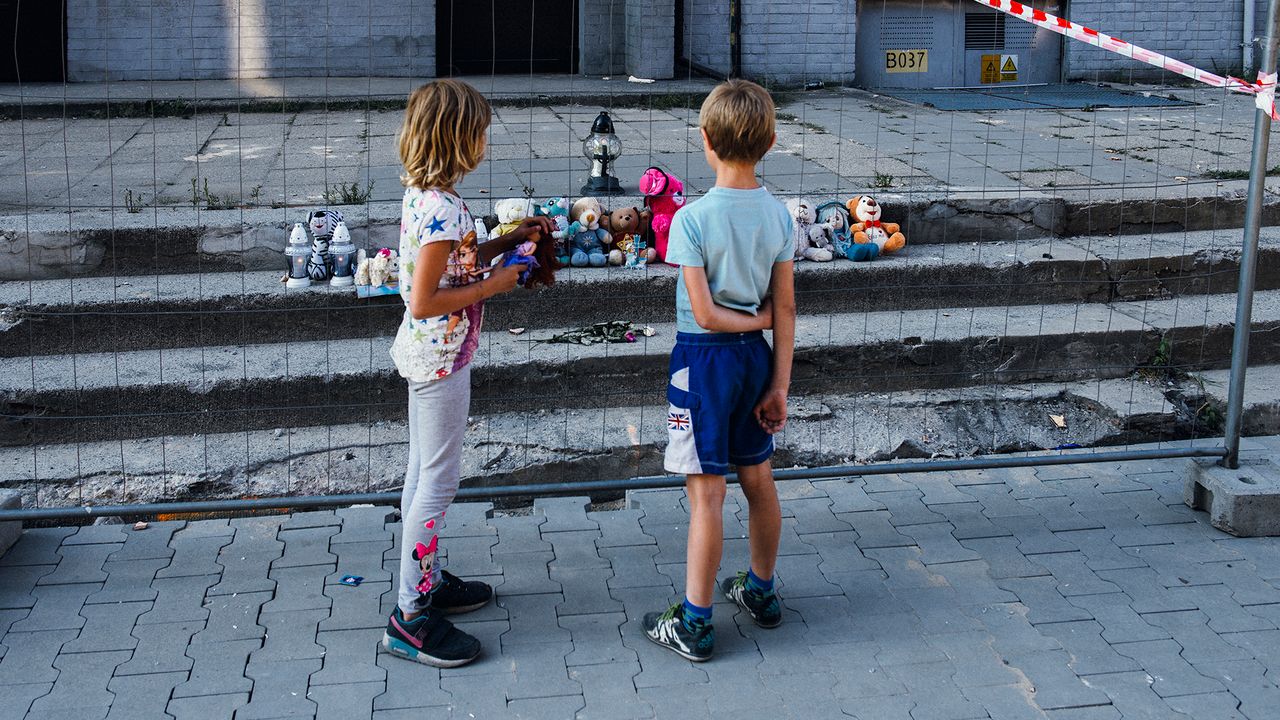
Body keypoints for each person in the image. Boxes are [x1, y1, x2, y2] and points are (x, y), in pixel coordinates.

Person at [382, 79, 552, 668]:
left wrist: (509, 240)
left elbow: (456, 260)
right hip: (439, 358)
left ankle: (422, 583)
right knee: (438, 483)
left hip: (433, 355)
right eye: (478, 131)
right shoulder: (444, 207)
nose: (484, 141)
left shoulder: (428, 197)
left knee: (420, 474)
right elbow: (426, 299)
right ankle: (410, 617)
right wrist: (499, 284)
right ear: (458, 138)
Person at [642, 79, 796, 662]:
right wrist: (778, 382)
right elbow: (785, 309)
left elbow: (704, 314)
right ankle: (760, 591)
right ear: (772, 141)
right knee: (758, 479)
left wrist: (745, 318)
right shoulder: (779, 216)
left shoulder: (691, 221)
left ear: (705, 141)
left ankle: (695, 623)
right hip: (757, 361)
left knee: (706, 494)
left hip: (703, 365)